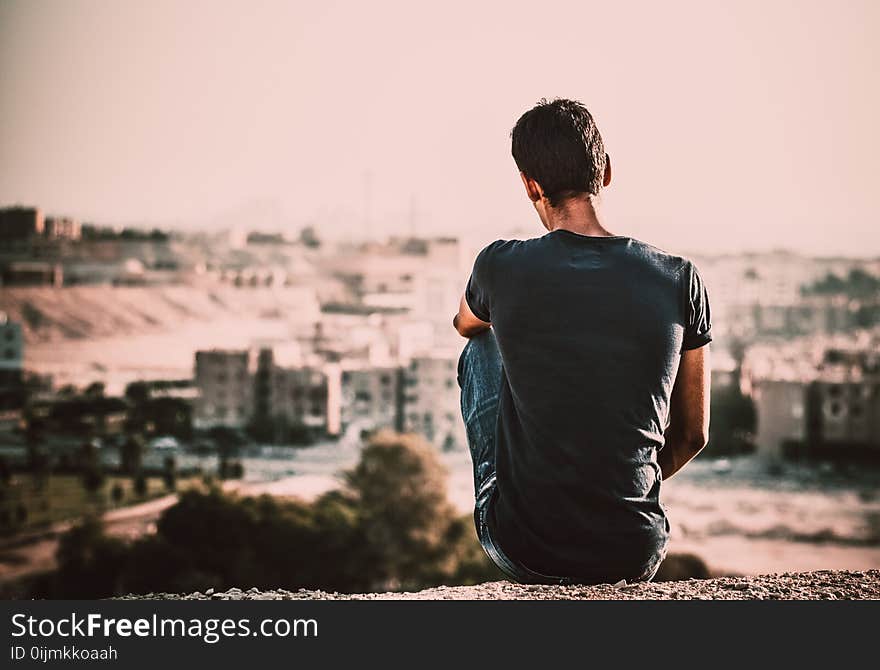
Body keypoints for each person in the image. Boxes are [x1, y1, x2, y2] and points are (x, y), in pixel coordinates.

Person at [454, 98, 711, 585]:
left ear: (530, 184)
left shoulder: (501, 264)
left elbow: (464, 324)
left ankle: (511, 494)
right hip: (634, 549)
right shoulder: (680, 278)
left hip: (524, 543)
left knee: (483, 347)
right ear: (606, 171)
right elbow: (693, 434)